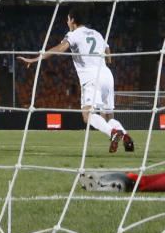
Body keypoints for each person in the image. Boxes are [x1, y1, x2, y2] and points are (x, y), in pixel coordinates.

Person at [18, 8, 134, 153]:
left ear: (72, 20)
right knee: (108, 116)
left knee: (87, 116)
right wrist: (107, 60)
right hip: (106, 75)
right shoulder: (97, 34)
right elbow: (108, 53)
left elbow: (60, 48)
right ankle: (125, 136)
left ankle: (113, 133)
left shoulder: (73, 34)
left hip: (91, 77)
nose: (67, 22)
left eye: (67, 19)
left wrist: (36, 58)